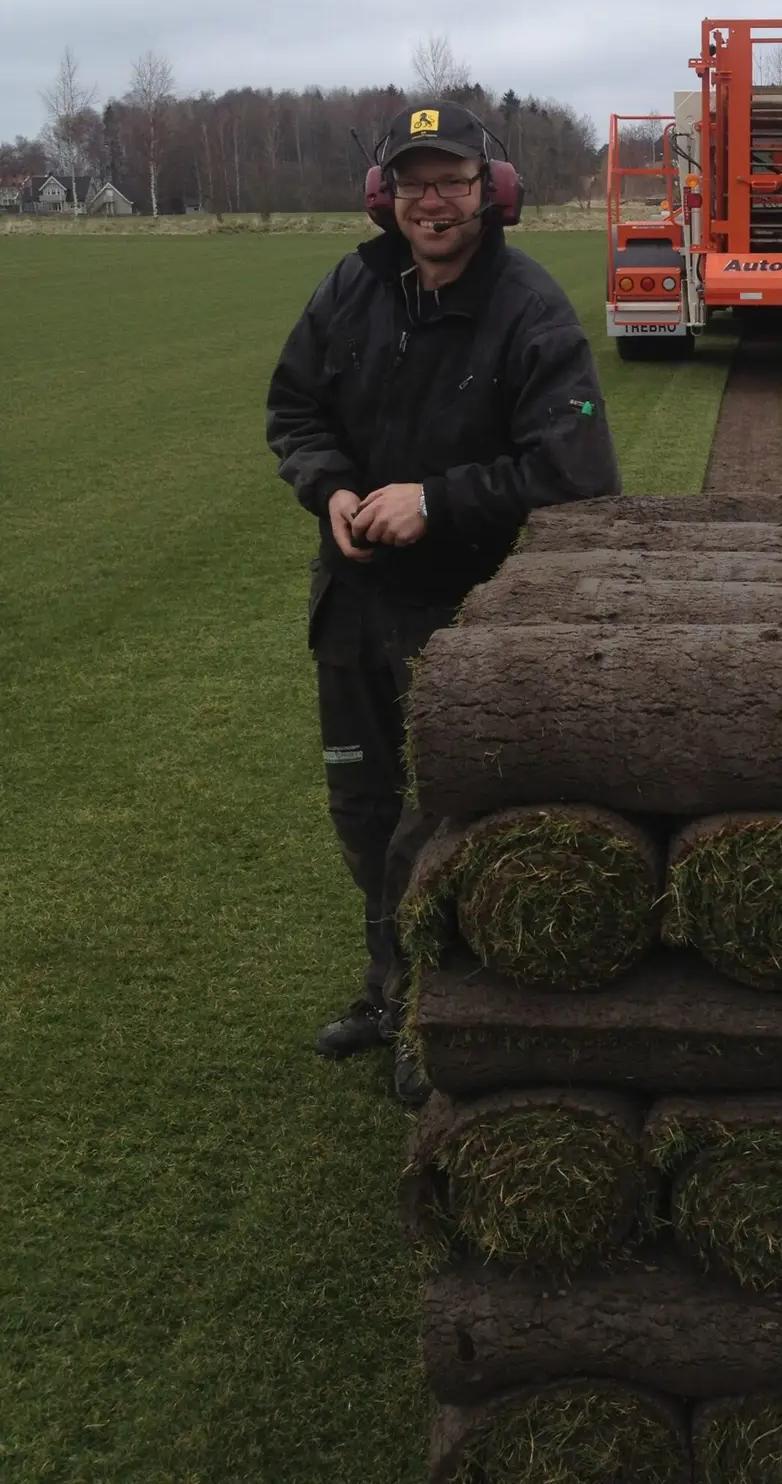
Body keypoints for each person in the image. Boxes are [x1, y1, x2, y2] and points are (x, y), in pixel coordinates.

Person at [266, 100, 621, 1104]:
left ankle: (440, 1014)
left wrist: (436, 501)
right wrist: (332, 489)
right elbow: (294, 409)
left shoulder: (530, 309)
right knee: (366, 812)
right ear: (383, 197)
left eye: (453, 182)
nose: (433, 202)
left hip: (469, 618)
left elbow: (578, 473)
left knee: (441, 824)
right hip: (353, 605)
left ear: (491, 191)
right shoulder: (351, 287)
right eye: (413, 184)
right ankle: (390, 991)